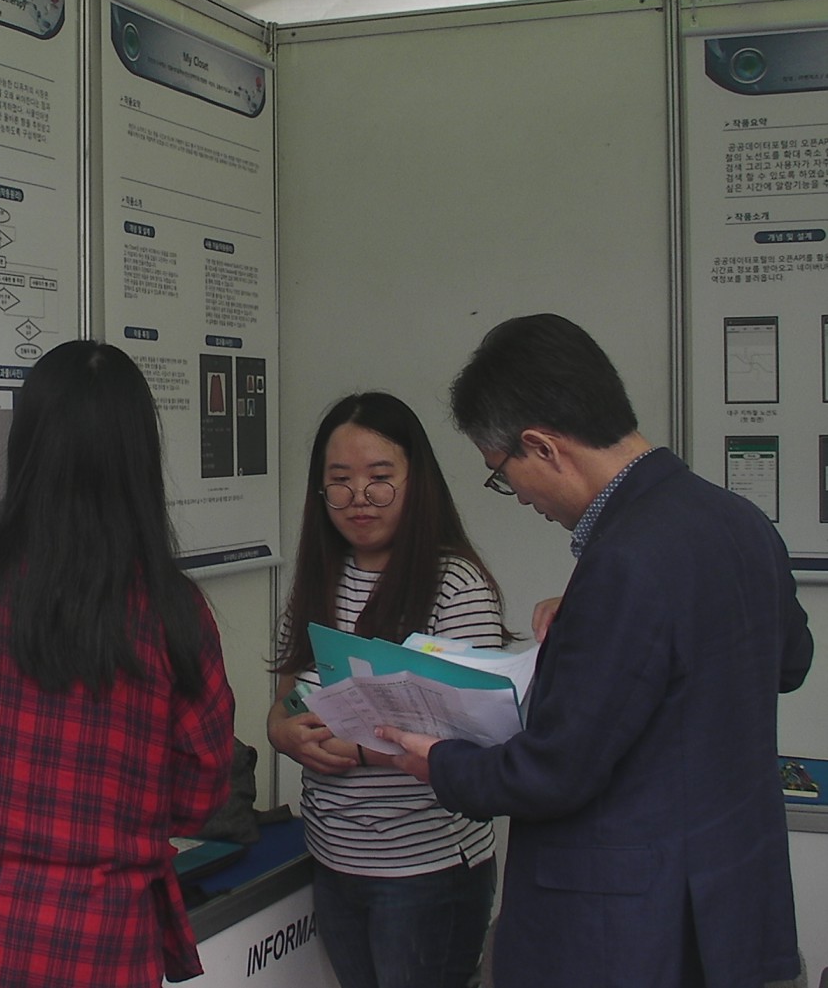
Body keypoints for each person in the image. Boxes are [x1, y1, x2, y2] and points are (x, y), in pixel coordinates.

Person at [381, 313, 814, 988]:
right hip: (732, 910)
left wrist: (441, 763)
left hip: (627, 936)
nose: (517, 495)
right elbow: (789, 662)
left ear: (542, 445)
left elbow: (555, 772)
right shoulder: (739, 521)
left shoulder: (625, 560)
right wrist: (599, 618)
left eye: (502, 474)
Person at [0, 340, 236, 987]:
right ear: (140, 455)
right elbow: (201, 788)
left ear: (25, 444)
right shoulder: (175, 611)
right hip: (97, 948)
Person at [268, 392, 508, 988]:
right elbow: (288, 694)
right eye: (340, 481)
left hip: (427, 869)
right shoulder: (320, 577)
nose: (359, 497)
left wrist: (355, 749)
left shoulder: (456, 584)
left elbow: (473, 740)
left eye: (380, 478)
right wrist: (280, 731)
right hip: (332, 856)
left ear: (415, 481)